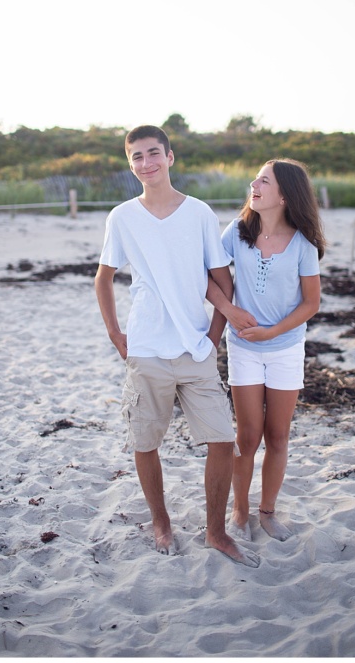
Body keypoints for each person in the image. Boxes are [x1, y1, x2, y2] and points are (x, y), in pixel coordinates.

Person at [95, 125, 258, 567]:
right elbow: (103, 278)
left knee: (222, 440)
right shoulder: (122, 217)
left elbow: (222, 280)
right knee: (145, 441)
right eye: (136, 156)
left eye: (153, 153)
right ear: (130, 164)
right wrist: (116, 334)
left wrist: (213, 337)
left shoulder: (199, 213)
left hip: (196, 349)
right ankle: (161, 521)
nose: (146, 163)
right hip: (146, 347)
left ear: (170, 157)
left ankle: (216, 531)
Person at [204, 159, 324, 542]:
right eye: (255, 179)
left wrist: (272, 332)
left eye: (264, 181)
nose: (253, 185)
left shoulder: (303, 244)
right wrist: (229, 310)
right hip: (243, 348)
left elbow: (311, 303)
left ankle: (267, 512)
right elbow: (205, 275)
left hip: (286, 349)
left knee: (277, 437)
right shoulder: (237, 233)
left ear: (285, 195)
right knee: (247, 437)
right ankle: (240, 510)